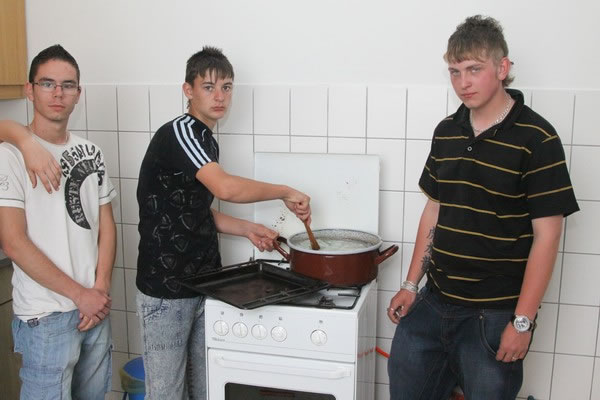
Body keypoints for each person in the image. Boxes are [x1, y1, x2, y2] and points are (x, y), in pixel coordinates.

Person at [386, 15, 579, 400]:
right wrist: (410, 285)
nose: (463, 82)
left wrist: (522, 322)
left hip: (492, 317)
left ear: (502, 68)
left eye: (474, 69)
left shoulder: (538, 138)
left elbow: (547, 236)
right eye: (454, 72)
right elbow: (434, 211)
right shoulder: (446, 131)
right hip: (433, 303)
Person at [135, 46, 312, 400]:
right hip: (167, 290)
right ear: (188, 90)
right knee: (167, 394)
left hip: (203, 283)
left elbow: (192, 210)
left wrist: (247, 229)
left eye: (226, 87)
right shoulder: (183, 132)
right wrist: (284, 191)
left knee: (206, 390)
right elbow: (225, 188)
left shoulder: (205, 140)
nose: (219, 97)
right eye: (209, 87)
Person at [0, 45, 117, 399]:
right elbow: (13, 243)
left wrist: (100, 289)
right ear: (30, 89)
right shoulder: (10, 156)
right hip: (46, 318)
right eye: (47, 83)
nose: (57, 93)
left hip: (94, 310)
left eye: (67, 85)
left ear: (78, 94)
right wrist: (81, 295)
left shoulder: (91, 151)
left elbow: (106, 226)